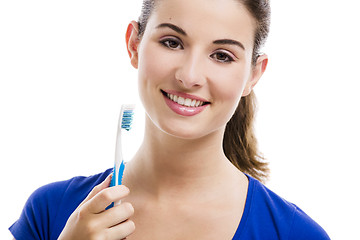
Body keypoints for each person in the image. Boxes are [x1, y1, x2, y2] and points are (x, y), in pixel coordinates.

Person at [9, 0, 331, 239]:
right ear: (134, 44)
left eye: (222, 56)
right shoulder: (50, 213)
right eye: (172, 42)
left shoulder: (296, 234)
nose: (189, 76)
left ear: (253, 74)